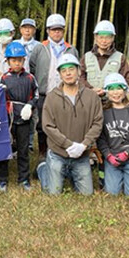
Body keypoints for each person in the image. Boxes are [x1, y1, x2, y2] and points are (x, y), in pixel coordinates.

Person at [41, 54, 103, 196]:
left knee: (87, 194)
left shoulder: (92, 97)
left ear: (79, 71)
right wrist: (68, 144)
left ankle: (69, 174)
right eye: (63, 71)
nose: (68, 73)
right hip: (58, 153)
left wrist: (84, 145)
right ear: (60, 74)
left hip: (81, 154)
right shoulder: (52, 97)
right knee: (53, 193)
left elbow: (97, 123)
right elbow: (48, 126)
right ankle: (43, 169)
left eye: (71, 69)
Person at [28, 13, 79, 158]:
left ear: (63, 31)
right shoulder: (40, 48)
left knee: (64, 124)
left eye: (59, 29)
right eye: (53, 29)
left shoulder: (71, 49)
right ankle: (43, 153)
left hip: (65, 94)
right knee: (42, 124)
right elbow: (32, 67)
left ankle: (62, 152)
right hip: (44, 94)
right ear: (48, 31)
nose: (56, 32)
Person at [0, 41, 38, 192]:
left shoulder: (30, 78)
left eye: (20, 60)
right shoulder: (4, 78)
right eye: (13, 60)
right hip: (8, 119)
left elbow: (36, 95)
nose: (17, 63)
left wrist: (30, 105)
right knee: (4, 149)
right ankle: (2, 180)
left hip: (25, 119)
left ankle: (24, 179)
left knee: (23, 150)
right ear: (8, 61)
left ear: (24, 60)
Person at [97, 73, 129, 198]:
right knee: (112, 193)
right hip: (112, 160)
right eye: (111, 89)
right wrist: (108, 155)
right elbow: (101, 139)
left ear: (125, 90)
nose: (115, 93)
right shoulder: (103, 113)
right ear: (107, 92)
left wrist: (127, 153)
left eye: (119, 88)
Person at [80, 20, 129, 97]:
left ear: (113, 38)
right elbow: (80, 77)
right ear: (95, 37)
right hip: (89, 98)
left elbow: (125, 79)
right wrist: (91, 89)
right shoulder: (86, 57)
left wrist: (108, 90)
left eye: (107, 38)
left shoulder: (120, 57)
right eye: (101, 37)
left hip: (112, 100)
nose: (104, 41)